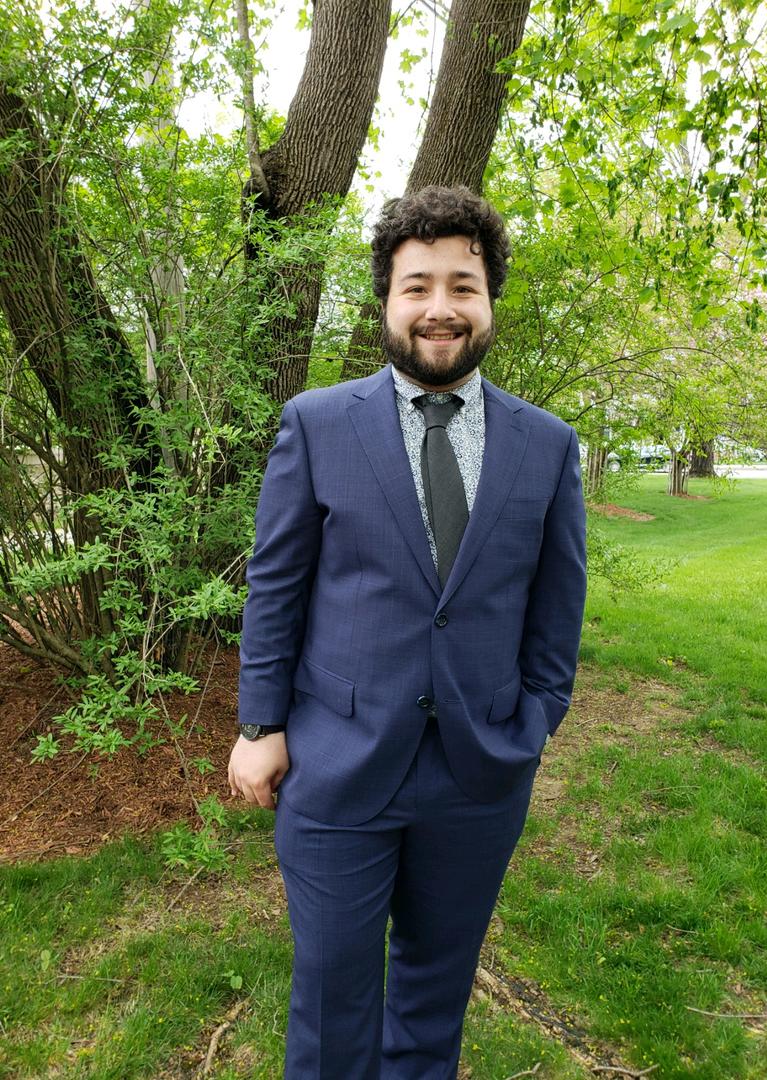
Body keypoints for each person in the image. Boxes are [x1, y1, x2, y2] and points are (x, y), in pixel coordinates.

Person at [228, 185, 586, 1079]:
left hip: (479, 771)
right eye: (417, 285)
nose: (439, 309)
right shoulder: (317, 425)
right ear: (387, 301)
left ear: (489, 300)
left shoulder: (546, 444)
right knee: (332, 993)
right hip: (337, 763)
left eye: (461, 286)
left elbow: (556, 603)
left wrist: (537, 717)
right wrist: (261, 726)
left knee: (436, 992)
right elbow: (277, 583)